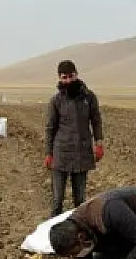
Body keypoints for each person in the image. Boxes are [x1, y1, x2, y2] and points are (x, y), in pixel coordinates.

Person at [44, 59, 104, 217]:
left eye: (71, 76)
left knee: (80, 201)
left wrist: (99, 144)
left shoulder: (89, 97)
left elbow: (96, 121)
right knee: (57, 201)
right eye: (64, 77)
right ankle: (52, 235)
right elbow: (50, 128)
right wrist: (48, 154)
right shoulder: (56, 101)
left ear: (77, 74)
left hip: (81, 154)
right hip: (61, 155)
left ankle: (80, 234)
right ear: (59, 78)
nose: (68, 80)